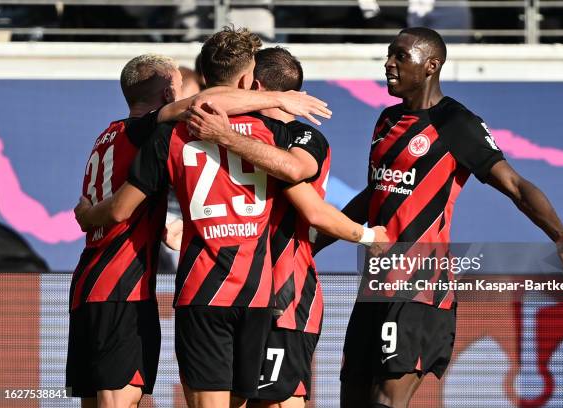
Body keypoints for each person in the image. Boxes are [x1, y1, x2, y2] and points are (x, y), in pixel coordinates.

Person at [74, 27, 386, 408]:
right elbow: (305, 196)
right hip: (260, 293)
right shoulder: (277, 137)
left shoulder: (171, 134)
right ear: (248, 81)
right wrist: (369, 237)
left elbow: (128, 204)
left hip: (199, 291)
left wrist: (94, 216)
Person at [313, 27, 563, 408]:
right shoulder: (387, 121)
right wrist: (310, 244)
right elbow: (374, 196)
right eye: (388, 55)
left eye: (400, 56)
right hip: (375, 286)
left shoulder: (456, 122)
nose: (388, 64)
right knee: (352, 397)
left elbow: (515, 185)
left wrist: (560, 235)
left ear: (431, 65)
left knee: (385, 402)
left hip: (420, 287)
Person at [185, 46, 386, 408]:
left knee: (278, 401)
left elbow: (311, 204)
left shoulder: (297, 138)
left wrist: (368, 236)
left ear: (253, 85)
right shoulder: (233, 133)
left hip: (286, 294)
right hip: (243, 293)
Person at [66, 53, 184, 408]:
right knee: (119, 399)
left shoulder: (108, 134)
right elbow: (118, 209)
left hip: (90, 284)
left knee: (98, 398)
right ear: (166, 95)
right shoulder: (144, 130)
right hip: (121, 287)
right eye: (179, 86)